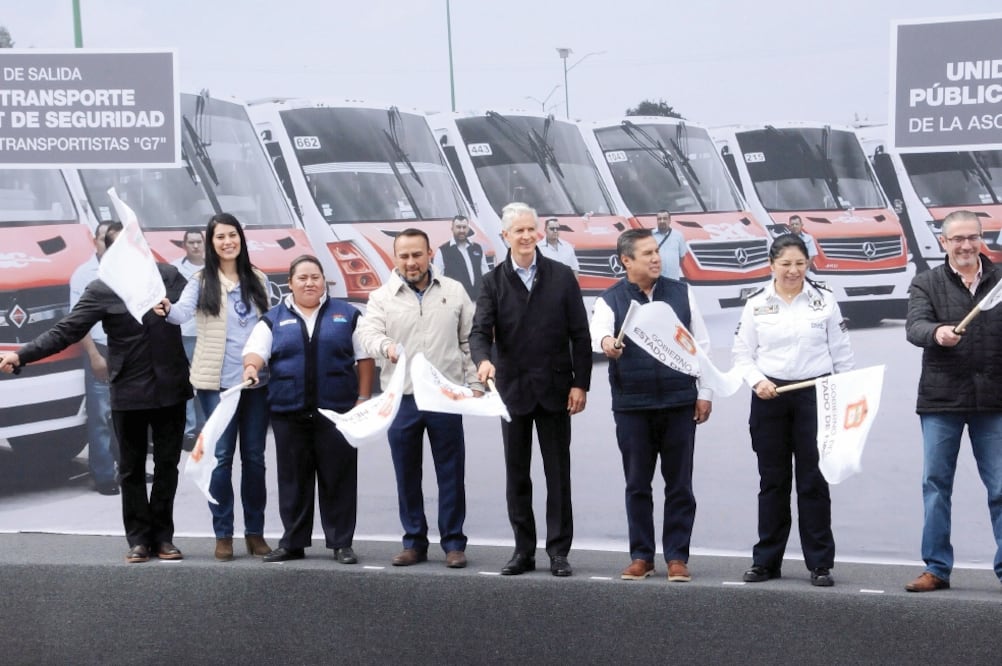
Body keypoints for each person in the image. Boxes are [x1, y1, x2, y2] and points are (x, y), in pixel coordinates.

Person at [0, 223, 192, 564]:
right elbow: (66, 330)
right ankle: (138, 540)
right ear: (108, 252)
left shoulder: (170, 276)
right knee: (130, 468)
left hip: (170, 389)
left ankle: (163, 537)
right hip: (128, 389)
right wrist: (21, 355)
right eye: (117, 247)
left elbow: (200, 308)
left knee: (167, 467)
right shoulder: (102, 289)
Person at [470, 202, 592, 577]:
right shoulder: (492, 282)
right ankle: (523, 551)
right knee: (516, 475)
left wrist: (580, 384)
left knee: (558, 476)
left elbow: (580, 335)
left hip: (557, 390)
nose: (526, 236)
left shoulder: (561, 276)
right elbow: (479, 332)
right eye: (517, 231)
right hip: (513, 391)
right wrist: (483, 360)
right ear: (504, 236)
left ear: (538, 232)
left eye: (530, 229)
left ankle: (558, 552)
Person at [590, 229, 712, 582]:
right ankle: (641, 555)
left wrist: (705, 393)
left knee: (680, 485)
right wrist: (608, 343)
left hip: (678, 402)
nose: (655, 258)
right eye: (646, 254)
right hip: (633, 405)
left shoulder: (681, 293)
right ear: (626, 260)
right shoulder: (611, 300)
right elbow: (598, 334)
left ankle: (677, 556)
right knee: (637, 484)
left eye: (656, 252)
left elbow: (700, 345)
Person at [732, 233, 853, 587]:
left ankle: (819, 564)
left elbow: (842, 355)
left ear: (808, 264)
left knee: (813, 482)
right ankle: (766, 561)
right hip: (770, 396)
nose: (792, 270)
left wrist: (844, 396)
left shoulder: (825, 301)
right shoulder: (756, 303)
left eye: (799, 263)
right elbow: (742, 354)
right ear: (771, 265)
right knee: (773, 481)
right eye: (785, 263)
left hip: (815, 395)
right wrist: (757, 382)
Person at [358, 228, 483, 569]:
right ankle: (414, 542)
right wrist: (385, 347)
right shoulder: (382, 297)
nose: (411, 262)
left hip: (445, 397)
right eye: (404, 256)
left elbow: (470, 340)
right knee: (406, 473)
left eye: (417, 255)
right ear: (395, 258)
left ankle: (454, 544)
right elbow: (368, 333)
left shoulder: (454, 291)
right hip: (404, 399)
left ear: (430, 255)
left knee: (451, 472)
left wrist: (475, 384)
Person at [242, 255, 375, 564]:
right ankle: (293, 543)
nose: (309, 283)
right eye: (302, 278)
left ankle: (341, 543)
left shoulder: (347, 314)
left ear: (323, 281)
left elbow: (364, 358)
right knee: (292, 481)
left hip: (337, 414)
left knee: (339, 479)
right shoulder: (273, 318)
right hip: (289, 413)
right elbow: (255, 351)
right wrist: (251, 368)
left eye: (315, 277)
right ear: (290, 283)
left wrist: (363, 398)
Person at [159, 214, 272, 562]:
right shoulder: (200, 280)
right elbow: (179, 315)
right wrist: (163, 307)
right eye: (220, 237)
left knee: (254, 459)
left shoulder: (258, 279)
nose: (227, 242)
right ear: (211, 243)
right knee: (221, 459)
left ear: (241, 239)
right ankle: (223, 534)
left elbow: (267, 326)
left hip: (254, 384)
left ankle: (255, 533)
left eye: (232, 235)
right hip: (214, 386)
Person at [903, 210, 1002, 593]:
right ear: (943, 242)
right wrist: (938, 332)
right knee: (936, 484)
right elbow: (914, 327)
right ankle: (936, 567)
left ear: (982, 239)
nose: (965, 245)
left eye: (972, 238)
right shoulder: (926, 282)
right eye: (957, 239)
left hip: (993, 399)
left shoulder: (998, 281)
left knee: (999, 489)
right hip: (941, 399)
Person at [70, 221, 119, 495]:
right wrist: (93, 355)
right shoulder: (83, 275)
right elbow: (78, 322)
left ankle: (127, 469)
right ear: (95, 242)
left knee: (128, 415)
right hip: (100, 349)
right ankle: (103, 476)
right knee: (101, 416)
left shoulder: (126, 270)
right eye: (104, 239)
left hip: (128, 349)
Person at [171, 228, 207, 450]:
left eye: (198, 242)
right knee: (185, 382)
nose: (195, 246)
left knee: (204, 382)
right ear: (184, 245)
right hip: (183, 333)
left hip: (206, 333)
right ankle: (188, 430)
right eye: (190, 242)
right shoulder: (175, 268)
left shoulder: (213, 267)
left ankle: (204, 427)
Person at [432, 214, 489, 301]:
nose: (461, 230)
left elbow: (486, 275)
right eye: (458, 227)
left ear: (468, 229)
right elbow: (437, 279)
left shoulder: (477, 248)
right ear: (452, 229)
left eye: (464, 227)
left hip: (478, 301)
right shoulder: (442, 251)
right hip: (455, 301)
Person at [652, 210, 688, 280]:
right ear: (657, 221)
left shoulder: (678, 235)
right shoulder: (650, 235)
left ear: (669, 220)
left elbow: (682, 256)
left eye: (665, 218)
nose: (662, 221)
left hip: (672, 279)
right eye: (659, 219)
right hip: (655, 280)